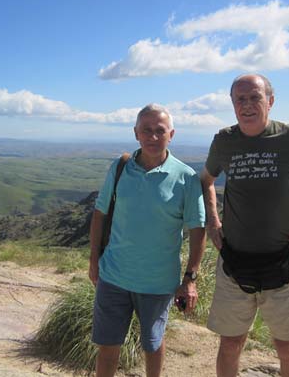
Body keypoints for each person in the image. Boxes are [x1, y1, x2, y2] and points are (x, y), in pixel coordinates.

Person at [200, 74, 289, 377]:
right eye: (240, 99)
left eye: (255, 97)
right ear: (232, 104)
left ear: (270, 100)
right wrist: (213, 221)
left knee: (286, 346)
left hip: (283, 262)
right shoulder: (224, 141)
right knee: (230, 342)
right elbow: (206, 181)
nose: (247, 105)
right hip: (233, 262)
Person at [88, 103, 206, 377]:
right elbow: (99, 214)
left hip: (158, 282)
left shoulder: (186, 177)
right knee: (107, 345)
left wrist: (190, 279)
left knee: (152, 344)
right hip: (113, 275)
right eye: (146, 130)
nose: (153, 137)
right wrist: (94, 261)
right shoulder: (120, 168)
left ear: (171, 134)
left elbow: (198, 230)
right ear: (136, 133)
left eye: (160, 131)